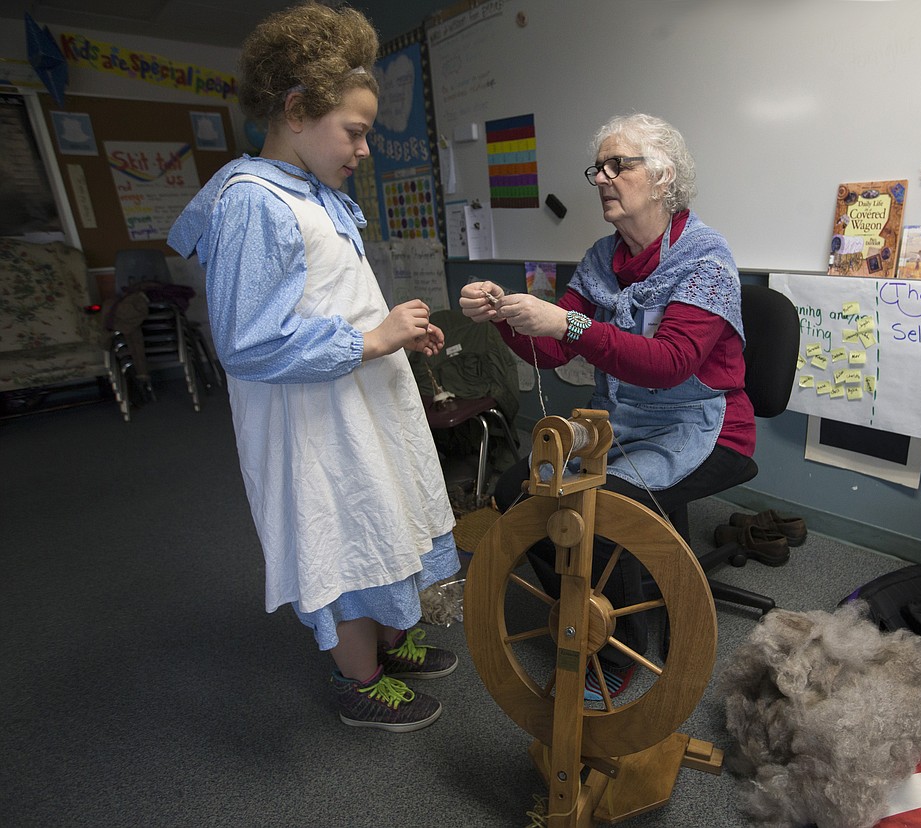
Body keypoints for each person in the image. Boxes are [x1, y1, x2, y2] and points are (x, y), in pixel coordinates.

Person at [167, 2, 459, 733]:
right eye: (355, 133)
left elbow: (328, 298)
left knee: (381, 516)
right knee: (341, 535)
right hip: (311, 419)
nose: (364, 149)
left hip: (355, 402)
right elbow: (248, 342)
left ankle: (387, 646)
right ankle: (357, 679)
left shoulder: (318, 193)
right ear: (296, 110)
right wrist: (368, 342)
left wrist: (394, 332)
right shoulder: (254, 205)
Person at [459, 113, 753, 698]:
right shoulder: (601, 258)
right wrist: (506, 317)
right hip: (618, 424)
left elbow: (669, 363)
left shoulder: (706, 260)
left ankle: (622, 649)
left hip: (702, 425)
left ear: (664, 176)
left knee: (598, 515)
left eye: (620, 166)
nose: (603, 179)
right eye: (599, 167)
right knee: (521, 491)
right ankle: (585, 606)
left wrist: (566, 324)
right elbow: (546, 352)